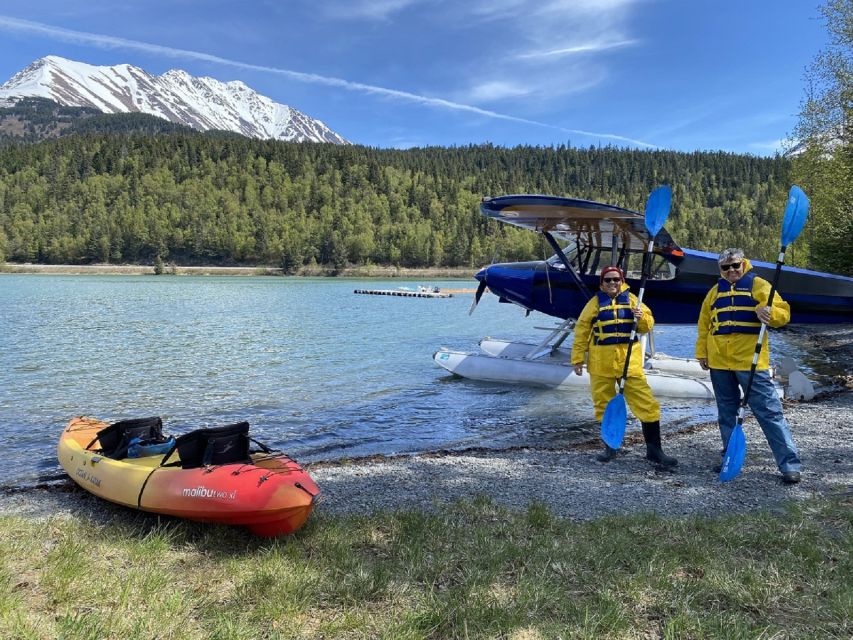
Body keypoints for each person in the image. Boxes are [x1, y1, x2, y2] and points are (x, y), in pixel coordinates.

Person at [696, 248, 801, 484]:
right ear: (720, 269)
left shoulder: (758, 285)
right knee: (726, 413)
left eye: (735, 265)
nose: (732, 270)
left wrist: (769, 312)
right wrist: (702, 353)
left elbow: (783, 313)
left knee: (769, 412)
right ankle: (729, 457)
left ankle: (789, 465)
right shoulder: (714, 293)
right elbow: (704, 326)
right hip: (720, 363)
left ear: (743, 264)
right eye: (726, 267)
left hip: (750, 362)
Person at [571, 266, 677, 467]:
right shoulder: (593, 304)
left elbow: (648, 325)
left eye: (616, 280)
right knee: (603, 406)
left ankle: (654, 451)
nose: (612, 284)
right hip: (601, 364)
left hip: (629, 364)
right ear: (601, 283)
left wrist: (641, 317)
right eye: (608, 280)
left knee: (647, 404)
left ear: (622, 281)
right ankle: (610, 449)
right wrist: (577, 359)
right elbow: (581, 332)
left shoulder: (633, 300)